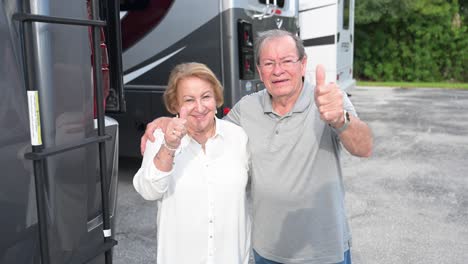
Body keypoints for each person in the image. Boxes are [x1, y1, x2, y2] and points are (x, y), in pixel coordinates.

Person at [141, 29, 373, 264]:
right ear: (260, 72)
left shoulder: (328, 100)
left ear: (303, 64)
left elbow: (364, 147)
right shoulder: (246, 109)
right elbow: (208, 128)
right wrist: (167, 121)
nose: (278, 70)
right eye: (269, 63)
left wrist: (340, 119)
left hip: (323, 250)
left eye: (286, 61)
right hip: (267, 252)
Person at [133, 62, 251, 264]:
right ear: (175, 105)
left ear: (216, 99)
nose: (199, 107)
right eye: (189, 100)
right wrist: (169, 146)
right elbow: (149, 191)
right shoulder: (160, 138)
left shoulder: (237, 137)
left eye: (206, 96)